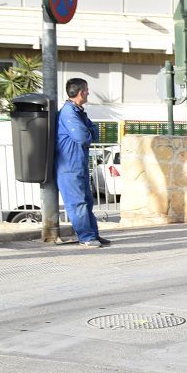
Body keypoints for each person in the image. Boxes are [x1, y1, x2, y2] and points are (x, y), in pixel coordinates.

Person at [55, 78, 109, 248]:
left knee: (87, 201)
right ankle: (85, 237)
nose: (88, 92)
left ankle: (93, 234)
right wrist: (89, 132)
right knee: (77, 203)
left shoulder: (78, 112)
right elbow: (82, 137)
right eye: (86, 90)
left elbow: (94, 132)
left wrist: (89, 131)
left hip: (78, 164)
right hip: (69, 166)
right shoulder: (68, 113)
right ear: (80, 92)